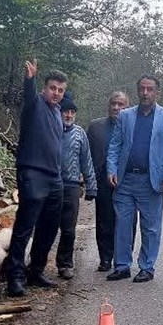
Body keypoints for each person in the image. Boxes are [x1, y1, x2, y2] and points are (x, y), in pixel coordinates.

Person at [106, 75, 163, 283]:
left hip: (151, 181)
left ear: (157, 93)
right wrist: (111, 169)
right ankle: (122, 266)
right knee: (122, 224)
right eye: (142, 89)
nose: (145, 93)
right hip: (125, 179)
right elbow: (115, 145)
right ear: (137, 91)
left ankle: (147, 267)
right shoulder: (125, 116)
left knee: (151, 227)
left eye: (150, 89)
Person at [5, 59, 67, 297]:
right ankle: (15, 276)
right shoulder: (35, 104)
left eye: (60, 90)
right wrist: (29, 79)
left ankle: (36, 271)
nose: (56, 93)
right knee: (25, 226)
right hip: (32, 173)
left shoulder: (57, 111)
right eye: (52, 88)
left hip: (54, 177)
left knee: (49, 227)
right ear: (44, 88)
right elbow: (29, 95)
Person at [56, 92, 97, 279]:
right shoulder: (51, 129)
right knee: (46, 226)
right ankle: (37, 265)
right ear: (60, 112)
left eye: (72, 112)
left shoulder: (80, 133)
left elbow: (86, 161)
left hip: (72, 186)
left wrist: (91, 185)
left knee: (69, 229)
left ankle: (65, 264)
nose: (69, 115)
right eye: (66, 111)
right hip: (51, 184)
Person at [87, 92, 130, 271]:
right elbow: (87, 155)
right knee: (104, 221)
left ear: (127, 107)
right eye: (113, 103)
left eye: (121, 104)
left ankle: (123, 259)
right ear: (108, 105)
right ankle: (105, 258)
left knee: (126, 221)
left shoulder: (133, 126)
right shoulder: (95, 127)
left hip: (127, 181)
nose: (116, 107)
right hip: (102, 181)